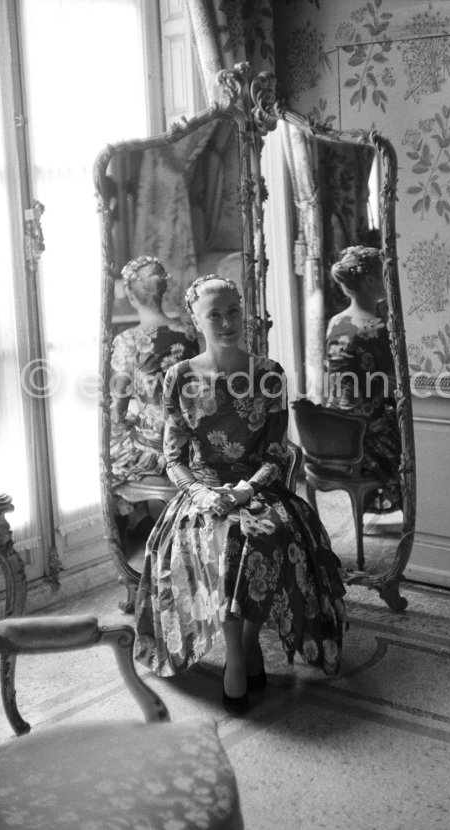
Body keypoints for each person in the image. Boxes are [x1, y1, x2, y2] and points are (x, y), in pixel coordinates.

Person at [134, 273, 347, 714]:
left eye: (234, 311)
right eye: (215, 315)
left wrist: (247, 489)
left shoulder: (268, 375)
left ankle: (248, 644)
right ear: (196, 320)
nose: (228, 322)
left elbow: (277, 453)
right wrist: (201, 494)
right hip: (203, 492)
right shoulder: (178, 377)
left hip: (258, 489)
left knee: (262, 538)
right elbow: (173, 457)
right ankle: (238, 656)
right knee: (228, 544)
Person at [110, 255, 199, 530]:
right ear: (163, 291)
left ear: (130, 296)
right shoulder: (188, 333)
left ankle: (137, 516)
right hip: (189, 433)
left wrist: (119, 418)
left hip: (154, 443)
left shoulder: (128, 340)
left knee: (111, 437)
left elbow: (119, 403)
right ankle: (145, 517)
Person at [325, 245, 401, 512]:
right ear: (370, 281)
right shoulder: (376, 327)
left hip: (335, 425)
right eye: (385, 274)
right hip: (366, 433)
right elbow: (394, 382)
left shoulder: (335, 321)